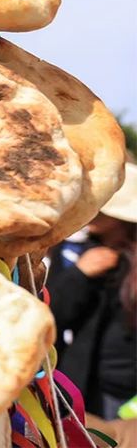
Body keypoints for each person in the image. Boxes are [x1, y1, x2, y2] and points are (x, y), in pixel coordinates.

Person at [54, 163, 137, 418]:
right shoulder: (78, 253)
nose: (93, 211)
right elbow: (52, 313)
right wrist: (79, 275)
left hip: (126, 393)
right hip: (88, 388)